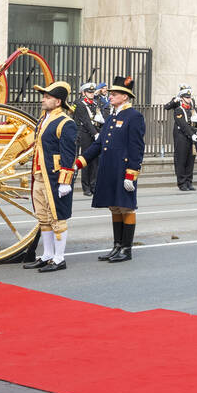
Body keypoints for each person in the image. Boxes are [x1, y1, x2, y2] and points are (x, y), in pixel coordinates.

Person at [81, 75, 146, 263]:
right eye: (110, 94)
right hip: (109, 169)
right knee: (115, 208)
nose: (110, 96)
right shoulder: (112, 117)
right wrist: (80, 161)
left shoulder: (134, 116)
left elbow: (136, 148)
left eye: (114, 94)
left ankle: (127, 249)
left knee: (126, 208)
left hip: (123, 169)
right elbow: (99, 144)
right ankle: (117, 246)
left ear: (125, 97)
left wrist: (131, 174)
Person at [29, 81, 80, 273]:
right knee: (43, 217)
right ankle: (47, 255)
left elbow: (68, 153)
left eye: (47, 97)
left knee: (57, 217)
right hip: (39, 174)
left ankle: (59, 258)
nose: (43, 100)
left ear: (58, 102)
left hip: (55, 176)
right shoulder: (43, 119)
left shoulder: (66, 123)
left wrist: (65, 181)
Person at [76, 82, 106, 193]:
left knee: (96, 161)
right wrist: (95, 134)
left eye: (92, 92)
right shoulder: (80, 103)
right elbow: (86, 121)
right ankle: (86, 187)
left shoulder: (95, 103)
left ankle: (94, 185)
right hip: (85, 134)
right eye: (89, 92)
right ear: (83, 93)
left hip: (96, 132)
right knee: (86, 160)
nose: (91, 94)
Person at [170, 85, 197, 191]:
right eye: (186, 97)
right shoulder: (179, 110)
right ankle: (182, 183)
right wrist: (191, 134)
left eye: (189, 97)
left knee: (190, 161)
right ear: (182, 98)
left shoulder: (194, 110)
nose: (189, 99)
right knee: (181, 160)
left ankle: (189, 182)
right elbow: (182, 124)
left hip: (193, 139)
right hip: (182, 138)